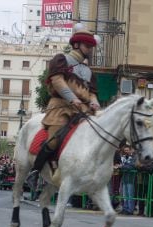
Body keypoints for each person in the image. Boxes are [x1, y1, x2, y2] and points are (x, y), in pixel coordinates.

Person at [25, 26, 100, 188]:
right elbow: (57, 81)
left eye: (91, 47)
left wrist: (95, 103)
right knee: (54, 139)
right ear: (77, 45)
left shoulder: (89, 71)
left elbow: (92, 93)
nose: (89, 50)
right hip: (60, 107)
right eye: (87, 46)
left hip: (83, 110)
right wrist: (72, 98)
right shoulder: (61, 59)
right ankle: (35, 172)